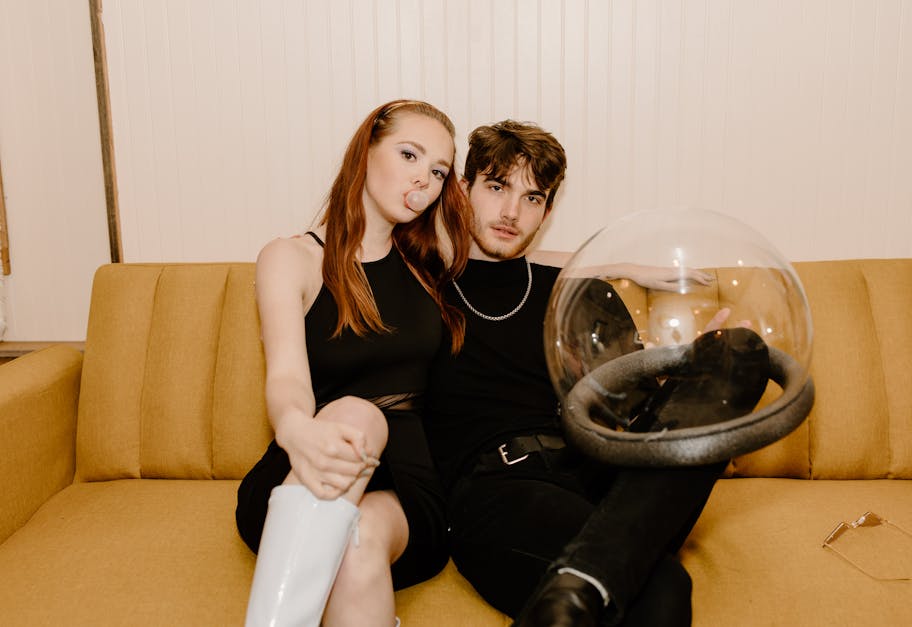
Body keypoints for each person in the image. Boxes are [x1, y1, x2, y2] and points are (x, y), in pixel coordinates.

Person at [424, 120, 769, 626]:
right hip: (500, 491)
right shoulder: (419, 286)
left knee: (739, 351)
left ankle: (586, 581)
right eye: (497, 187)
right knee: (665, 584)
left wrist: (692, 376)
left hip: (598, 473)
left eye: (533, 198)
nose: (511, 212)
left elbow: (627, 414)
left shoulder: (575, 293)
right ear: (463, 188)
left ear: (546, 209)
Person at [235, 99, 471, 627]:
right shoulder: (292, 258)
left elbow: (525, 255)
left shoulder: (429, 261)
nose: (424, 181)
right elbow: (288, 377)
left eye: (437, 171)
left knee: (359, 540)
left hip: (405, 483)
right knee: (354, 415)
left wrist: (629, 267)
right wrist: (295, 428)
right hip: (308, 460)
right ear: (365, 152)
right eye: (409, 155)